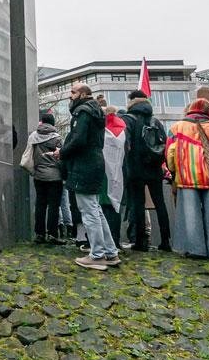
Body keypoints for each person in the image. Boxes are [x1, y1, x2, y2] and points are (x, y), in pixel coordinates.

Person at [58, 84, 120, 270]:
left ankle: (97, 254)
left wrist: (62, 152)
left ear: (83, 94)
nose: (70, 96)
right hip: (94, 162)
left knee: (89, 211)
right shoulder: (95, 112)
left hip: (84, 165)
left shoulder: (83, 112)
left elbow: (78, 139)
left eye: (73, 92)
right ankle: (110, 252)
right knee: (96, 209)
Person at [166, 98, 209, 260]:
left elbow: (170, 153)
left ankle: (194, 249)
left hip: (186, 179)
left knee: (190, 216)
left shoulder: (176, 128)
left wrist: (174, 171)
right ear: (208, 111)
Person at [121, 90, 171, 252]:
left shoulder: (129, 119)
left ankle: (140, 242)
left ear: (131, 102)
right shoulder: (155, 121)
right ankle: (165, 241)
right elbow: (165, 145)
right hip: (155, 168)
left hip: (135, 169)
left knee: (138, 205)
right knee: (160, 204)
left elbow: (125, 144)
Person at [22, 109, 64, 244]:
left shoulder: (33, 136)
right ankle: (52, 234)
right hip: (55, 176)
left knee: (40, 204)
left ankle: (39, 234)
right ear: (52, 123)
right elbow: (61, 158)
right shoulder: (57, 137)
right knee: (54, 206)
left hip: (39, 175)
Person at [100, 104, 126, 244]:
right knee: (115, 206)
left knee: (103, 207)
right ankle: (115, 240)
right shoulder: (122, 130)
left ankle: (106, 240)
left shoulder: (102, 130)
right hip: (119, 173)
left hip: (103, 174)